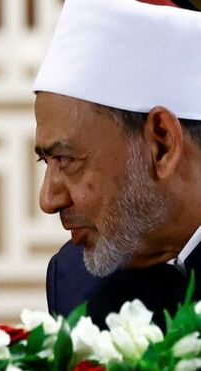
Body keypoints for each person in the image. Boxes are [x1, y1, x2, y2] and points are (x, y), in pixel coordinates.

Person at [35, 0, 201, 328]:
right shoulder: (75, 283)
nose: (48, 200)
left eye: (67, 160)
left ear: (162, 144)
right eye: (45, 160)